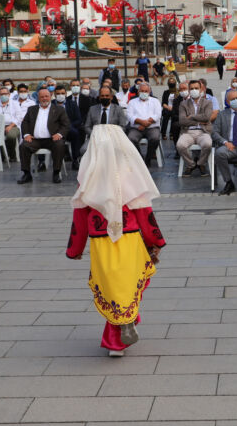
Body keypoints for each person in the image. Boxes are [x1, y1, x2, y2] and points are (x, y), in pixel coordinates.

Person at [66, 124, 165, 356]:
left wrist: (75, 248)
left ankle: (118, 335)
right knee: (128, 284)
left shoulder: (87, 174)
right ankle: (123, 328)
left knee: (111, 288)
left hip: (101, 239)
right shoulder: (131, 172)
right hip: (129, 236)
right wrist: (155, 241)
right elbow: (144, 211)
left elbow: (80, 214)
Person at [18, 88, 70, 184]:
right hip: (35, 139)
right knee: (23, 146)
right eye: (42, 97)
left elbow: (66, 124)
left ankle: (56, 172)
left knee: (59, 145)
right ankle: (26, 174)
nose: (44, 98)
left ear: (51, 97)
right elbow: (25, 122)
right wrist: (26, 134)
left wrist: (59, 134)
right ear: (38, 98)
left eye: (46, 96)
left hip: (52, 139)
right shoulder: (32, 109)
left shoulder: (59, 109)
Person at [176, 80, 214, 177]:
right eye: (191, 88)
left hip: (203, 131)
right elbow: (182, 121)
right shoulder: (183, 104)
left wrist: (192, 116)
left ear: (201, 89)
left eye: (196, 88)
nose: (194, 90)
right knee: (180, 145)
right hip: (188, 132)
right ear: (188, 90)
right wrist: (199, 121)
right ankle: (191, 164)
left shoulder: (208, 102)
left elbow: (207, 117)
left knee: (208, 144)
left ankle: (201, 163)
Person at [126, 83, 162, 167]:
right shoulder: (132, 102)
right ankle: (140, 158)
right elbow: (129, 116)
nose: (144, 92)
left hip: (152, 127)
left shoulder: (155, 101)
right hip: (136, 128)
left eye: (146, 91)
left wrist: (145, 124)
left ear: (149, 91)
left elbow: (157, 115)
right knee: (131, 138)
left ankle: (148, 158)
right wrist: (141, 122)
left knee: (155, 138)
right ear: (138, 91)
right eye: (142, 91)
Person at [0, 86, 21, 160]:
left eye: (5, 93)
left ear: (9, 94)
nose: (4, 95)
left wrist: (10, 126)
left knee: (11, 135)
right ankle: (3, 156)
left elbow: (19, 117)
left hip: (13, 126)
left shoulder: (15, 103)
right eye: (1, 94)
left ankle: (12, 155)